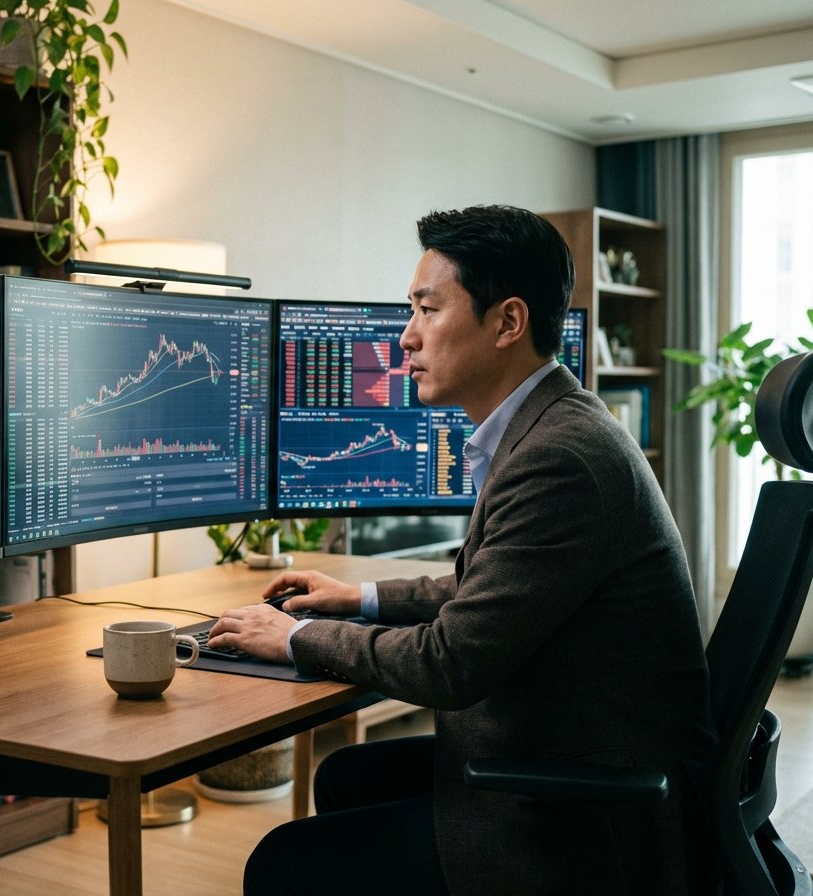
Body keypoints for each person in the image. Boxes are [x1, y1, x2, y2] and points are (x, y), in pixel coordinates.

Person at [207, 204, 716, 895]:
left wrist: (297, 637)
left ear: (508, 322)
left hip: (577, 824)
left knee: (283, 864)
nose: (406, 337)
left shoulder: (559, 459)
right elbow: (492, 590)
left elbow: (451, 665)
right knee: (345, 774)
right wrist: (355, 597)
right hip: (571, 759)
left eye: (427, 309)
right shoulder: (558, 425)